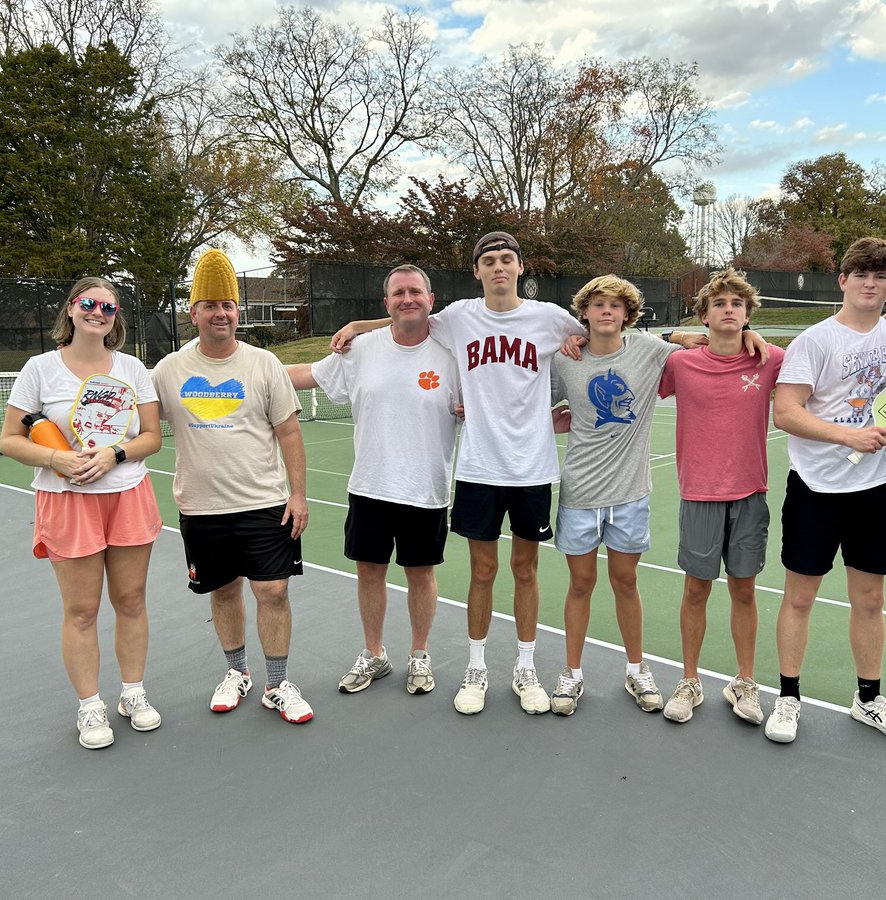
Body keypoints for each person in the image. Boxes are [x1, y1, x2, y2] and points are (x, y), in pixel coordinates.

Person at [332, 232, 589, 715]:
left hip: (532, 467)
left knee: (526, 570)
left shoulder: (551, 319)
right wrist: (354, 323)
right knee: (483, 571)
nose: (498, 267)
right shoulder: (459, 318)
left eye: (506, 259)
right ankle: (476, 668)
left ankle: (526, 666)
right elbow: (408, 319)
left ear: (519, 268)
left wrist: (678, 337)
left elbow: (603, 330)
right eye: (489, 260)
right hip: (476, 467)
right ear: (477, 271)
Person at [767, 237, 886, 746]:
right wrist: (848, 435)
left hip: (877, 487)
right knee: (799, 597)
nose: (870, 282)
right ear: (843, 280)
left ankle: (868, 701)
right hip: (816, 486)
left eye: (881, 275)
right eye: (860, 273)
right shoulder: (814, 341)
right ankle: (788, 697)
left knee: (870, 599)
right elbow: (786, 412)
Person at [0, 277, 163, 749]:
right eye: (89, 304)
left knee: (131, 601)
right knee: (81, 610)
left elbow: (151, 436)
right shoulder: (40, 369)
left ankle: (133, 692)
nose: (98, 312)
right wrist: (56, 459)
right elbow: (10, 439)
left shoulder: (133, 369)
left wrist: (114, 455)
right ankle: (90, 705)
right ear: (71, 310)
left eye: (108, 307)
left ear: (116, 318)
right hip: (66, 502)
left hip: (128, 494)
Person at [152, 249, 313, 725]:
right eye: (211, 305)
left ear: (237, 311)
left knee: (274, 591)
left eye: (229, 305)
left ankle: (278, 684)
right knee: (223, 592)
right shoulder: (167, 371)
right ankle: (236, 672)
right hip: (201, 508)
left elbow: (288, 432)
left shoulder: (264, 364)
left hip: (264, 504)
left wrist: (298, 494)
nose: (221, 313)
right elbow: (136, 423)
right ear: (193, 313)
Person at [287, 265, 460, 696]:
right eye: (398, 293)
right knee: (369, 572)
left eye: (415, 291)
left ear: (431, 298)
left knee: (421, 574)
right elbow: (309, 374)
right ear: (386, 303)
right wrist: (243, 366)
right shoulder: (361, 349)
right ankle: (374, 654)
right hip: (369, 487)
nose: (407, 298)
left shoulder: (453, 350)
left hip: (427, 488)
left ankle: (419, 655)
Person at [545, 275, 712, 716]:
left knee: (625, 582)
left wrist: (679, 333)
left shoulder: (649, 351)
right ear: (584, 313)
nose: (606, 311)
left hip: (631, 495)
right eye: (597, 304)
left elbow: (706, 345)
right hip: (579, 493)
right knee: (581, 583)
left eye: (615, 306)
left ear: (627, 314)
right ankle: (572, 674)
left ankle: (636, 669)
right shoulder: (564, 361)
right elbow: (531, 405)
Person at [658, 268, 785, 726]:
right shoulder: (679, 364)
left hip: (750, 492)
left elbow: (825, 362)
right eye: (719, 304)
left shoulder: (771, 359)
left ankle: (744, 681)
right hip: (699, 492)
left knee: (745, 589)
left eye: (736, 304)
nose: (728, 310)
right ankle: (689, 680)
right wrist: (676, 336)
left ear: (748, 314)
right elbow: (622, 340)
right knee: (695, 589)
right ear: (705, 316)